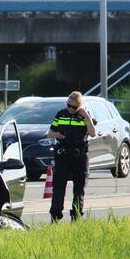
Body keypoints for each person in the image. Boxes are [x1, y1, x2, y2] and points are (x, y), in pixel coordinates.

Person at [47, 91, 96, 222]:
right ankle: (55, 217)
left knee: (79, 189)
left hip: (79, 156)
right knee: (58, 187)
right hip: (63, 156)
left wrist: (86, 116)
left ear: (80, 106)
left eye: (74, 107)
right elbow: (50, 133)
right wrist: (57, 135)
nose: (70, 109)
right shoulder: (61, 114)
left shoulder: (84, 116)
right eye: (69, 105)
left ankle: (76, 216)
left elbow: (92, 133)